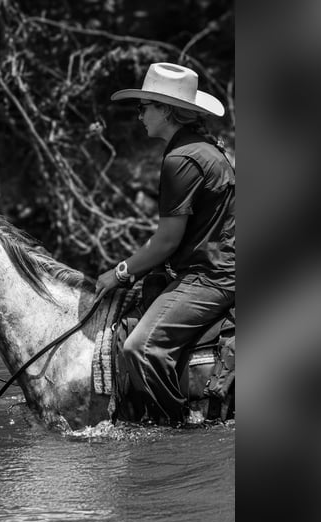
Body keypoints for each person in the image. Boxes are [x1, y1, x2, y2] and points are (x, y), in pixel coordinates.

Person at [94, 62, 235, 423]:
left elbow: (166, 242)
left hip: (212, 276)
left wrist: (119, 273)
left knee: (140, 347)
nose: (139, 114)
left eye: (145, 106)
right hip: (218, 267)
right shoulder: (200, 148)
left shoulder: (181, 158)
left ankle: (177, 428)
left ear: (167, 111)